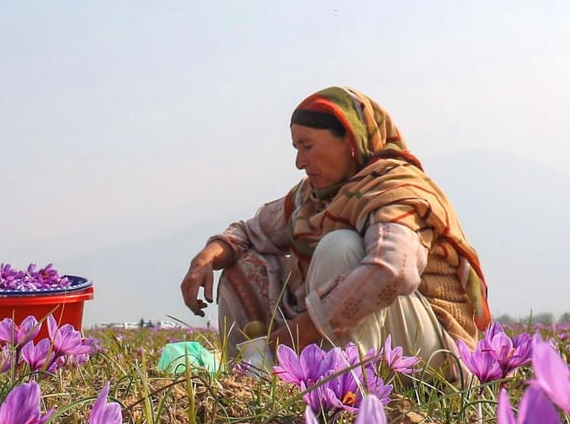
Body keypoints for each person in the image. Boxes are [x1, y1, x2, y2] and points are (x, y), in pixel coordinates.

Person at [180, 87, 489, 373]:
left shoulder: (395, 190)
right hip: (351, 335)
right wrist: (206, 258)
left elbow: (393, 270)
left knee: (340, 247)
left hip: (432, 352)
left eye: (307, 146)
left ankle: (346, 385)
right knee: (242, 264)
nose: (300, 162)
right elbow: (251, 233)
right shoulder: (311, 199)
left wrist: (306, 329)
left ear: (350, 141)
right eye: (296, 148)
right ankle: (250, 376)